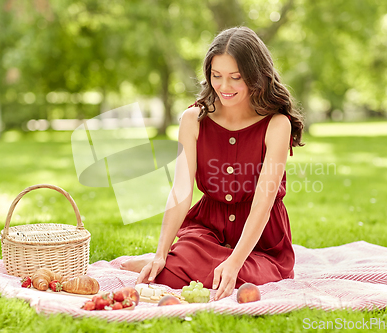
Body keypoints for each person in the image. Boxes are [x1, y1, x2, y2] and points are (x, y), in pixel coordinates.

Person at [121, 26, 304, 301]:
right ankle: (169, 259)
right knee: (171, 273)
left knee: (240, 277)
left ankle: (186, 261)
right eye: (216, 76)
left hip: (261, 241)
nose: (224, 87)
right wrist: (161, 251)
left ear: (257, 77)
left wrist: (235, 262)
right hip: (208, 228)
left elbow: (263, 203)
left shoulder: (277, 125)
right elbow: (181, 192)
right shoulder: (192, 120)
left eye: (235, 77)